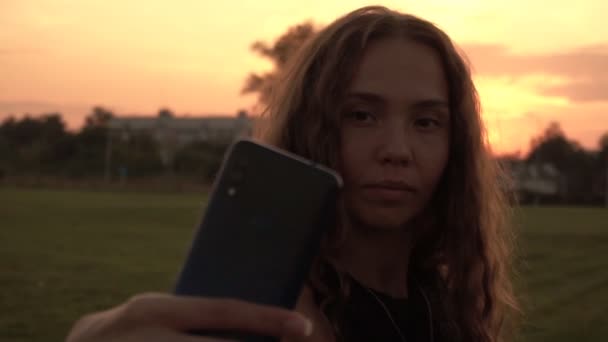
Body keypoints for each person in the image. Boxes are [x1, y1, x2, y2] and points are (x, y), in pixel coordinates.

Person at [67, 6, 519, 342]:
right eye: (360, 115)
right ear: (312, 127)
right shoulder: (273, 315)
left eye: (426, 122)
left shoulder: (448, 305)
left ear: (455, 145)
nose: (397, 151)